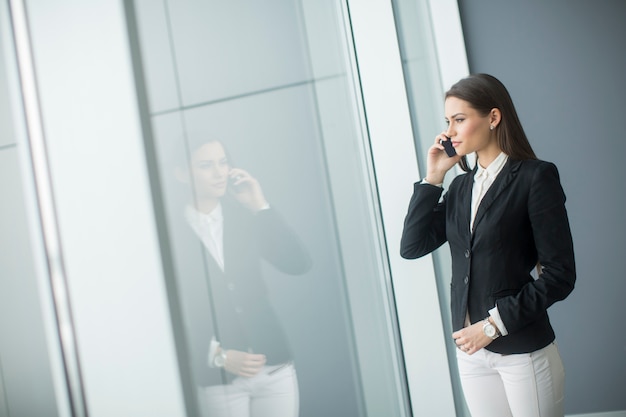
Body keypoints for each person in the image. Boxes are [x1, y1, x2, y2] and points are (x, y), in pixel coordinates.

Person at [400, 73, 575, 417]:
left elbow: (560, 276)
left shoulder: (534, 177)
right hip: (471, 353)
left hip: (521, 350)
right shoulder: (460, 188)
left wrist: (493, 325)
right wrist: (434, 177)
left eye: (459, 120)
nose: (449, 132)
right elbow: (412, 245)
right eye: (447, 121)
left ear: (493, 118)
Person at [170, 138, 311, 417]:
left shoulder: (245, 219)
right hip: (218, 381)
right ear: (182, 174)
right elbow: (166, 310)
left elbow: (298, 263)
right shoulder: (171, 233)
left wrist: (259, 206)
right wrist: (217, 355)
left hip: (274, 368)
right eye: (206, 165)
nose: (219, 172)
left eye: (223, 163)